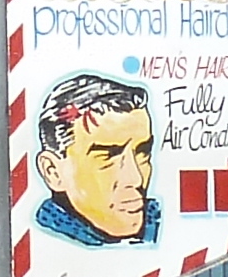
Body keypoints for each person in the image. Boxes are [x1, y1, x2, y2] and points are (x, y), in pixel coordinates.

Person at [31, 74, 159, 248]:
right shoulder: (47, 243)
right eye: (107, 156)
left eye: (143, 153)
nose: (135, 179)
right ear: (53, 172)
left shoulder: (160, 222)